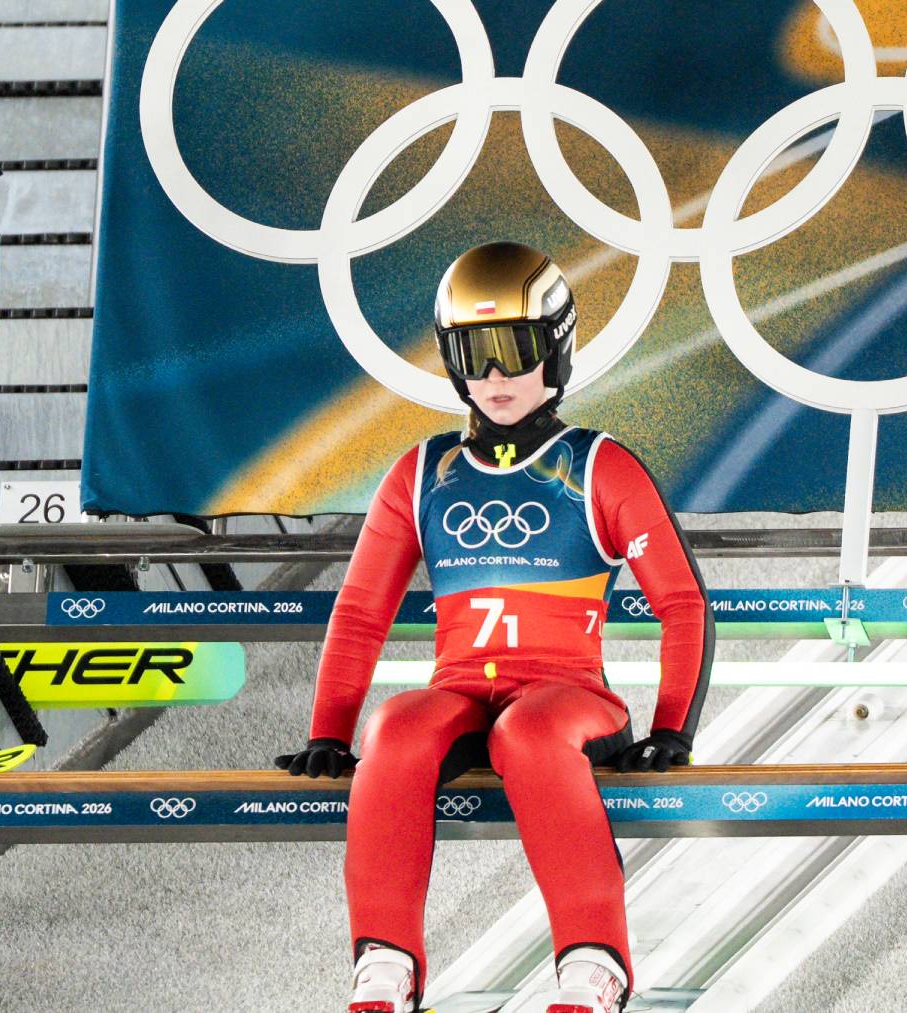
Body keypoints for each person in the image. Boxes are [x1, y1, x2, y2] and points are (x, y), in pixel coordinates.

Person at [277, 241, 713, 1013]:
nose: (497, 378)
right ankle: (385, 963)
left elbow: (681, 600)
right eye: (474, 355)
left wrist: (674, 726)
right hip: (460, 697)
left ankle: (593, 960)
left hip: (570, 699)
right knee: (399, 725)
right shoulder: (422, 472)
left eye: (515, 351)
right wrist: (329, 731)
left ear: (557, 348)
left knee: (533, 733)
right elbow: (361, 610)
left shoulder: (599, 464)